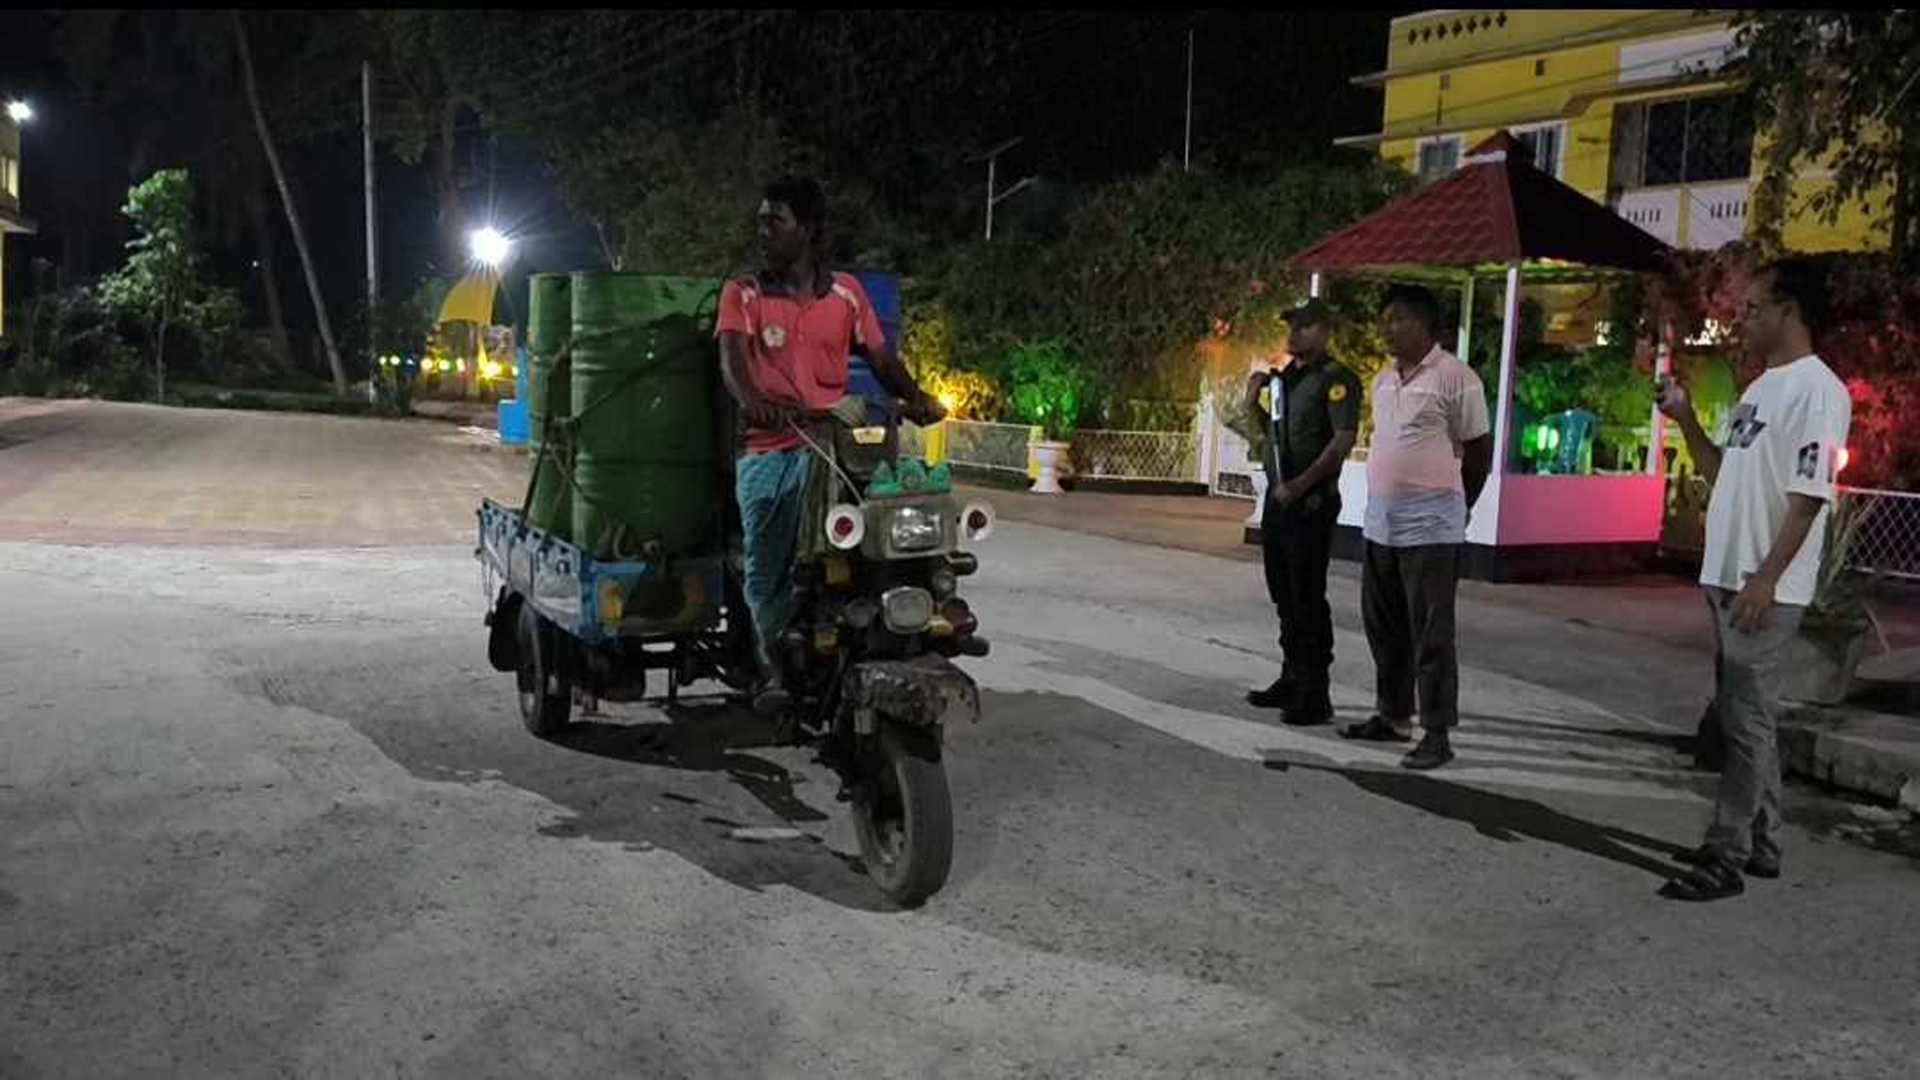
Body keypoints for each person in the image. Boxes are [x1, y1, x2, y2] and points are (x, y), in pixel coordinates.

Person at [1656, 257, 1852, 903]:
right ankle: (1763, 841)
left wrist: (1766, 580)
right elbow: (1722, 472)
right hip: (1728, 578)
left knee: (1743, 723)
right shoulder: (1759, 388)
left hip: (1761, 586)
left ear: (1788, 310)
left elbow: (1809, 497)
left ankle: (1726, 852)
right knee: (1749, 718)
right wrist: (1685, 418)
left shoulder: (1818, 391)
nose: (1741, 318)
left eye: (1752, 307)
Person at [715, 177, 944, 712]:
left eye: (776, 221)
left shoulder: (847, 294)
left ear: (809, 230)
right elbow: (733, 366)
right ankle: (770, 661)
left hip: (837, 444)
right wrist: (754, 400)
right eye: (761, 221)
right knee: (765, 563)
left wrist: (918, 397)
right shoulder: (743, 293)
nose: (763, 231)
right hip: (771, 446)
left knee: (893, 529)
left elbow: (882, 363)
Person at [1340, 285, 1492, 771]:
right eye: (1384, 318)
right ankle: (1392, 714)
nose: (1387, 327)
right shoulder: (1384, 380)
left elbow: (1479, 454)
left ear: (1426, 325)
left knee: (1431, 633)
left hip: (1432, 526)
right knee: (1384, 627)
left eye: (1398, 318)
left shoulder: (1457, 378)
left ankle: (1437, 732)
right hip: (1382, 523)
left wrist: (1456, 508)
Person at [1243, 298, 1362, 726]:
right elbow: (1269, 435)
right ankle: (1291, 676)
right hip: (1279, 504)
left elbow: (1342, 440)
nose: (1294, 334)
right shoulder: (1284, 381)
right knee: (1283, 594)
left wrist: (1301, 484)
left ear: (1326, 331)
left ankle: (1315, 690)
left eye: (1305, 326)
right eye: (1291, 326)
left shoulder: (1338, 380)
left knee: (1307, 596)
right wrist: (1252, 400)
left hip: (1310, 504)